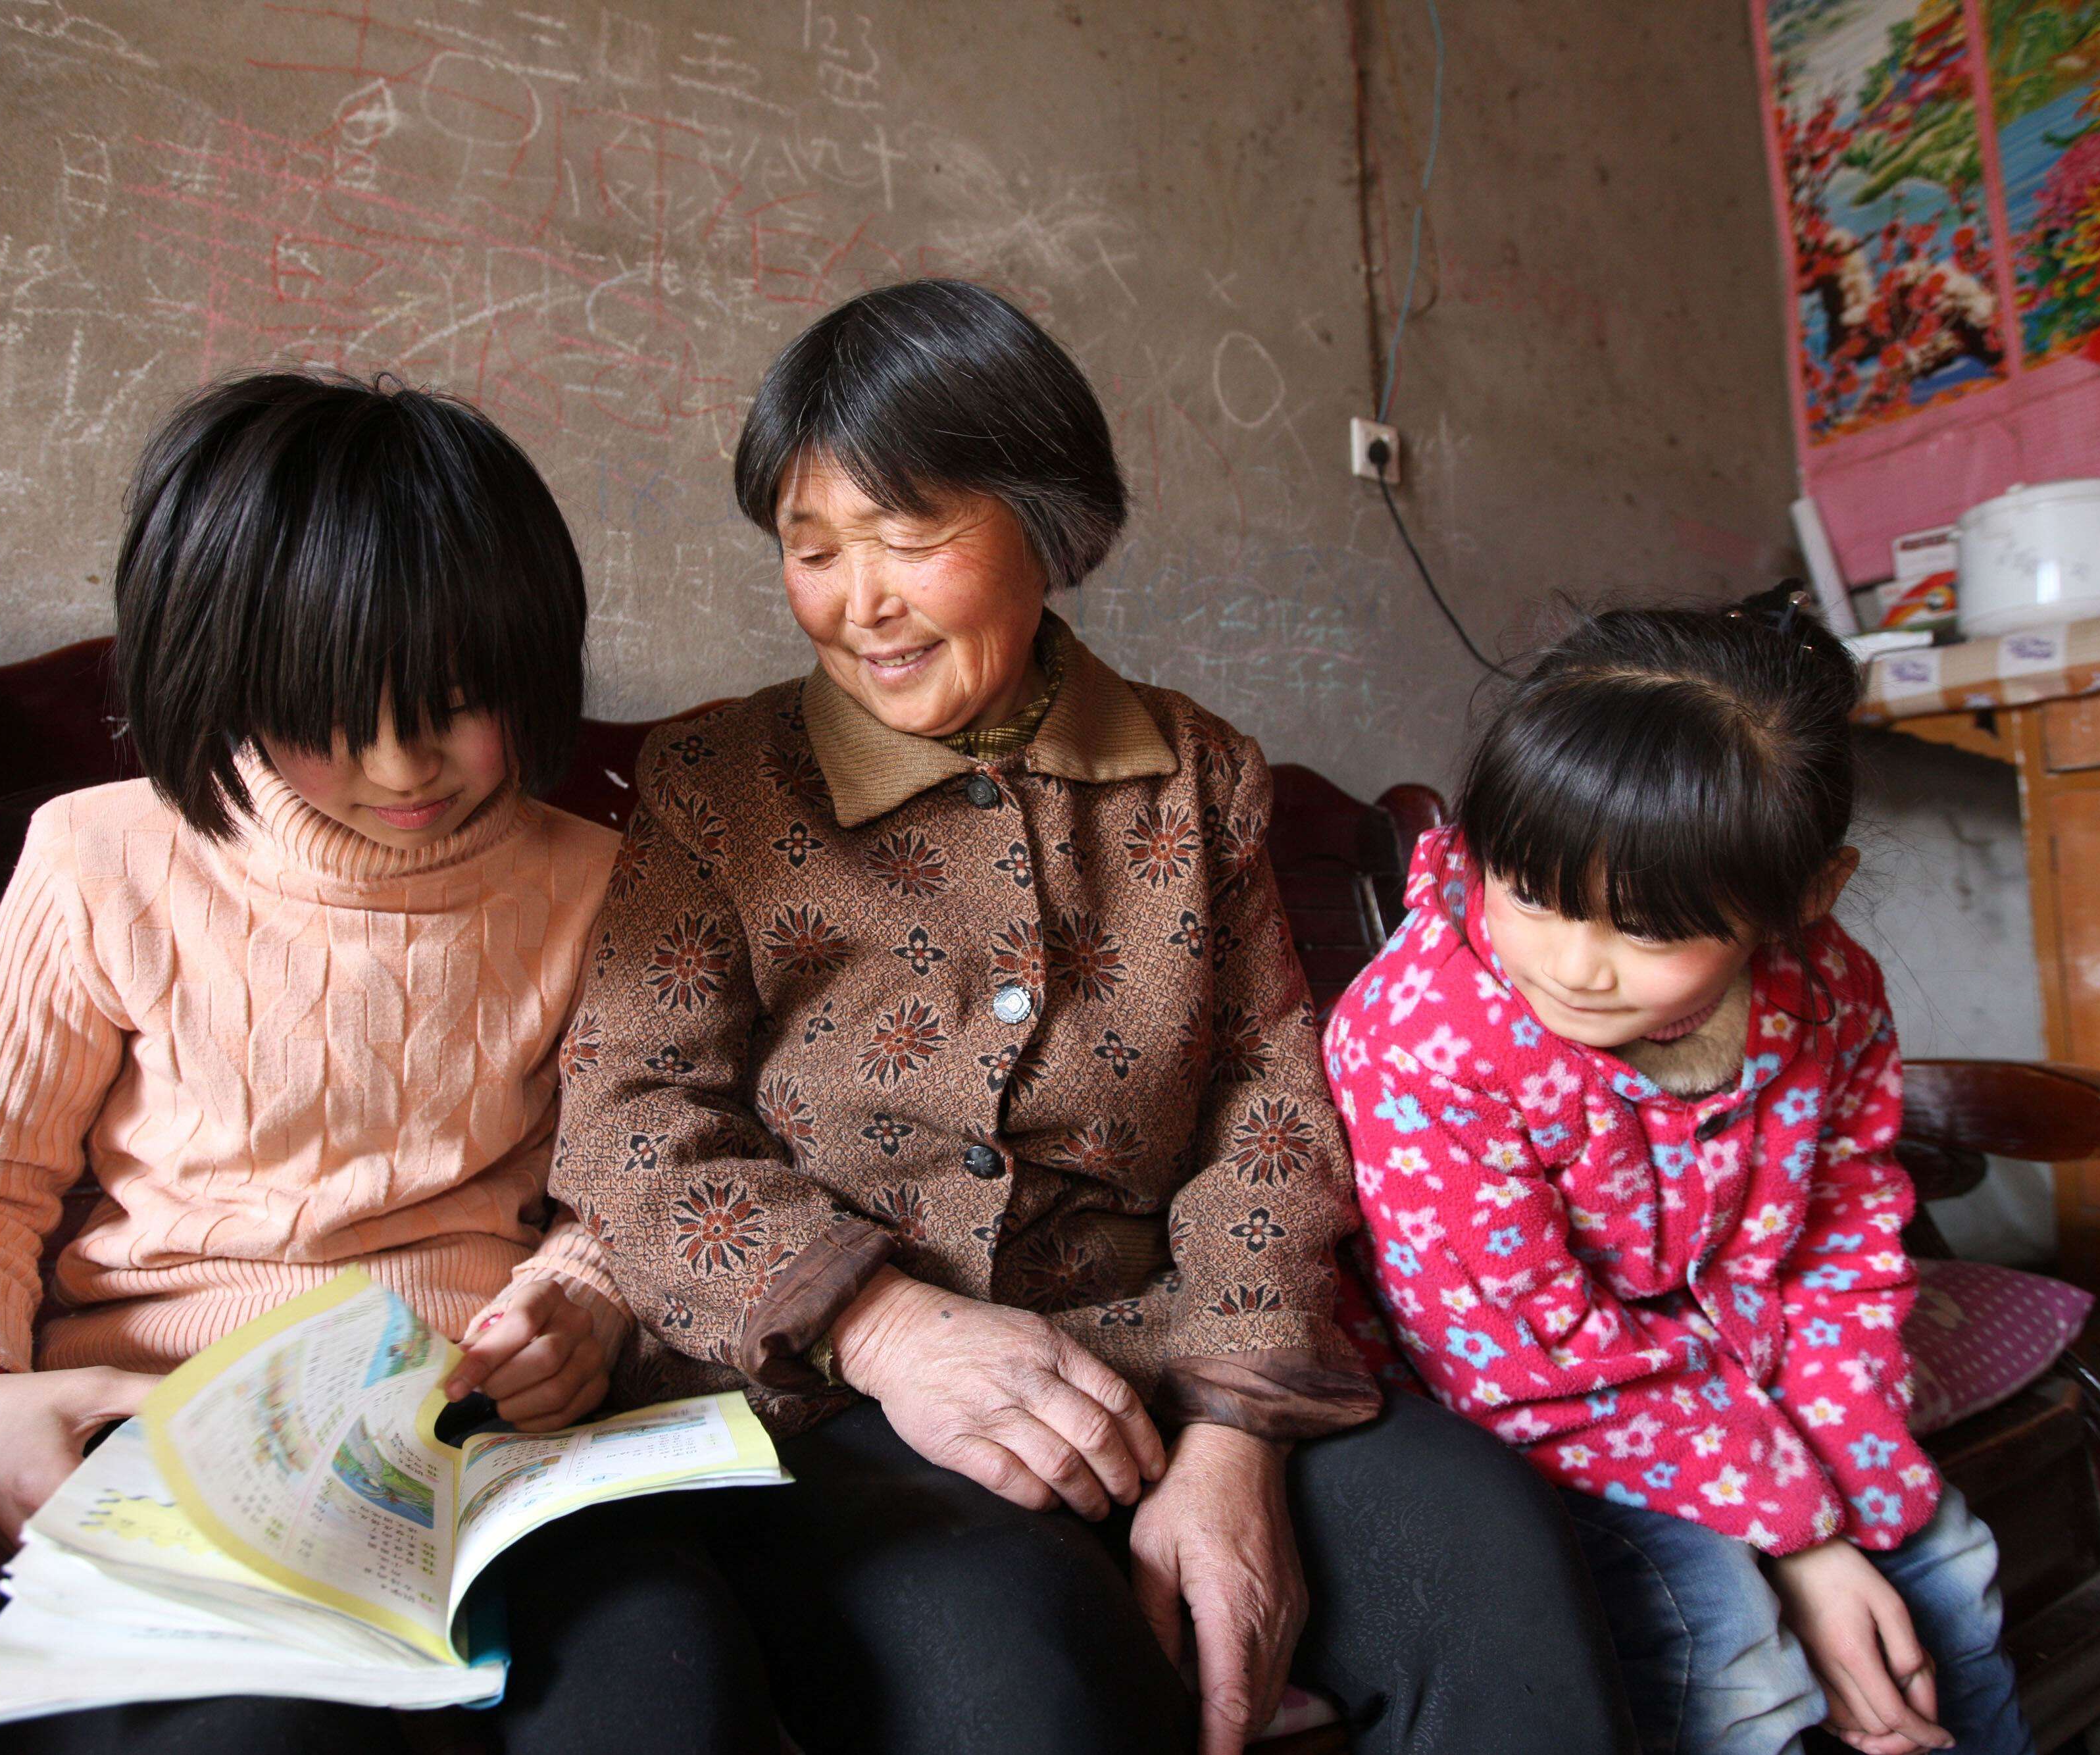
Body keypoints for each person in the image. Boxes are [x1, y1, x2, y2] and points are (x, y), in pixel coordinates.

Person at [546, 278, 1631, 1755]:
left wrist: (1235, 1431)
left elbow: (1266, 1106)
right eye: (811, 548)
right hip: (834, 1394)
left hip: (1162, 1354)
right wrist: (881, 1326)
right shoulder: (712, 787)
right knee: (1019, 1670)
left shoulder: (1197, 773)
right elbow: (630, 1127)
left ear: (1045, 523)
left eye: (907, 537)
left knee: (1486, 1553)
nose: (859, 602)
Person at [0, 371, 749, 1752]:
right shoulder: (100, 858)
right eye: (328, 716)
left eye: (457, 703)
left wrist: (579, 1301)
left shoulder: (601, 884)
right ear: (217, 677)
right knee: (247, 1732)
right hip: (176, 1424)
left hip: (491, 1436)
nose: (401, 764)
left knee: (667, 1686)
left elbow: (622, 1185)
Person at [1324, 585, 2032, 1755]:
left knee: (1941, 1560)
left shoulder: (1828, 990)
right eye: (1530, 892)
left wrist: (1855, 1481)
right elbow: (1523, 1362)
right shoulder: (1421, 1037)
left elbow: (1842, 1240)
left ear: (1805, 898)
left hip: (1735, 1374)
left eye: (1648, 929)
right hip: (1512, 1405)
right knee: (1731, 1649)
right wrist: (1804, 1534)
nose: (1574, 966)